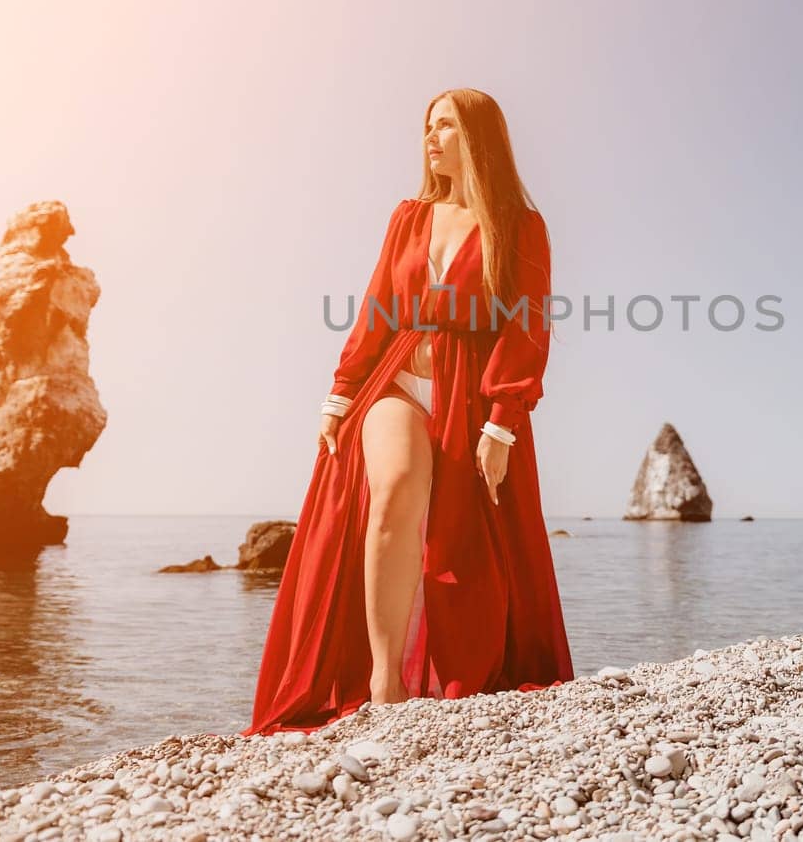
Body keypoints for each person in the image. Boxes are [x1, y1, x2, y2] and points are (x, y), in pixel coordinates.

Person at [242, 88, 574, 736]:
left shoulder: (519, 225)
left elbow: (526, 329)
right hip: (394, 382)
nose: (430, 136)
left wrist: (502, 420)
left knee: (466, 540)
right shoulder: (408, 218)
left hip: (473, 397)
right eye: (427, 125)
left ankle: (460, 669)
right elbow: (377, 309)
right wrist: (340, 395)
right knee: (394, 489)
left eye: (445, 124)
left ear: (477, 135)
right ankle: (385, 678)